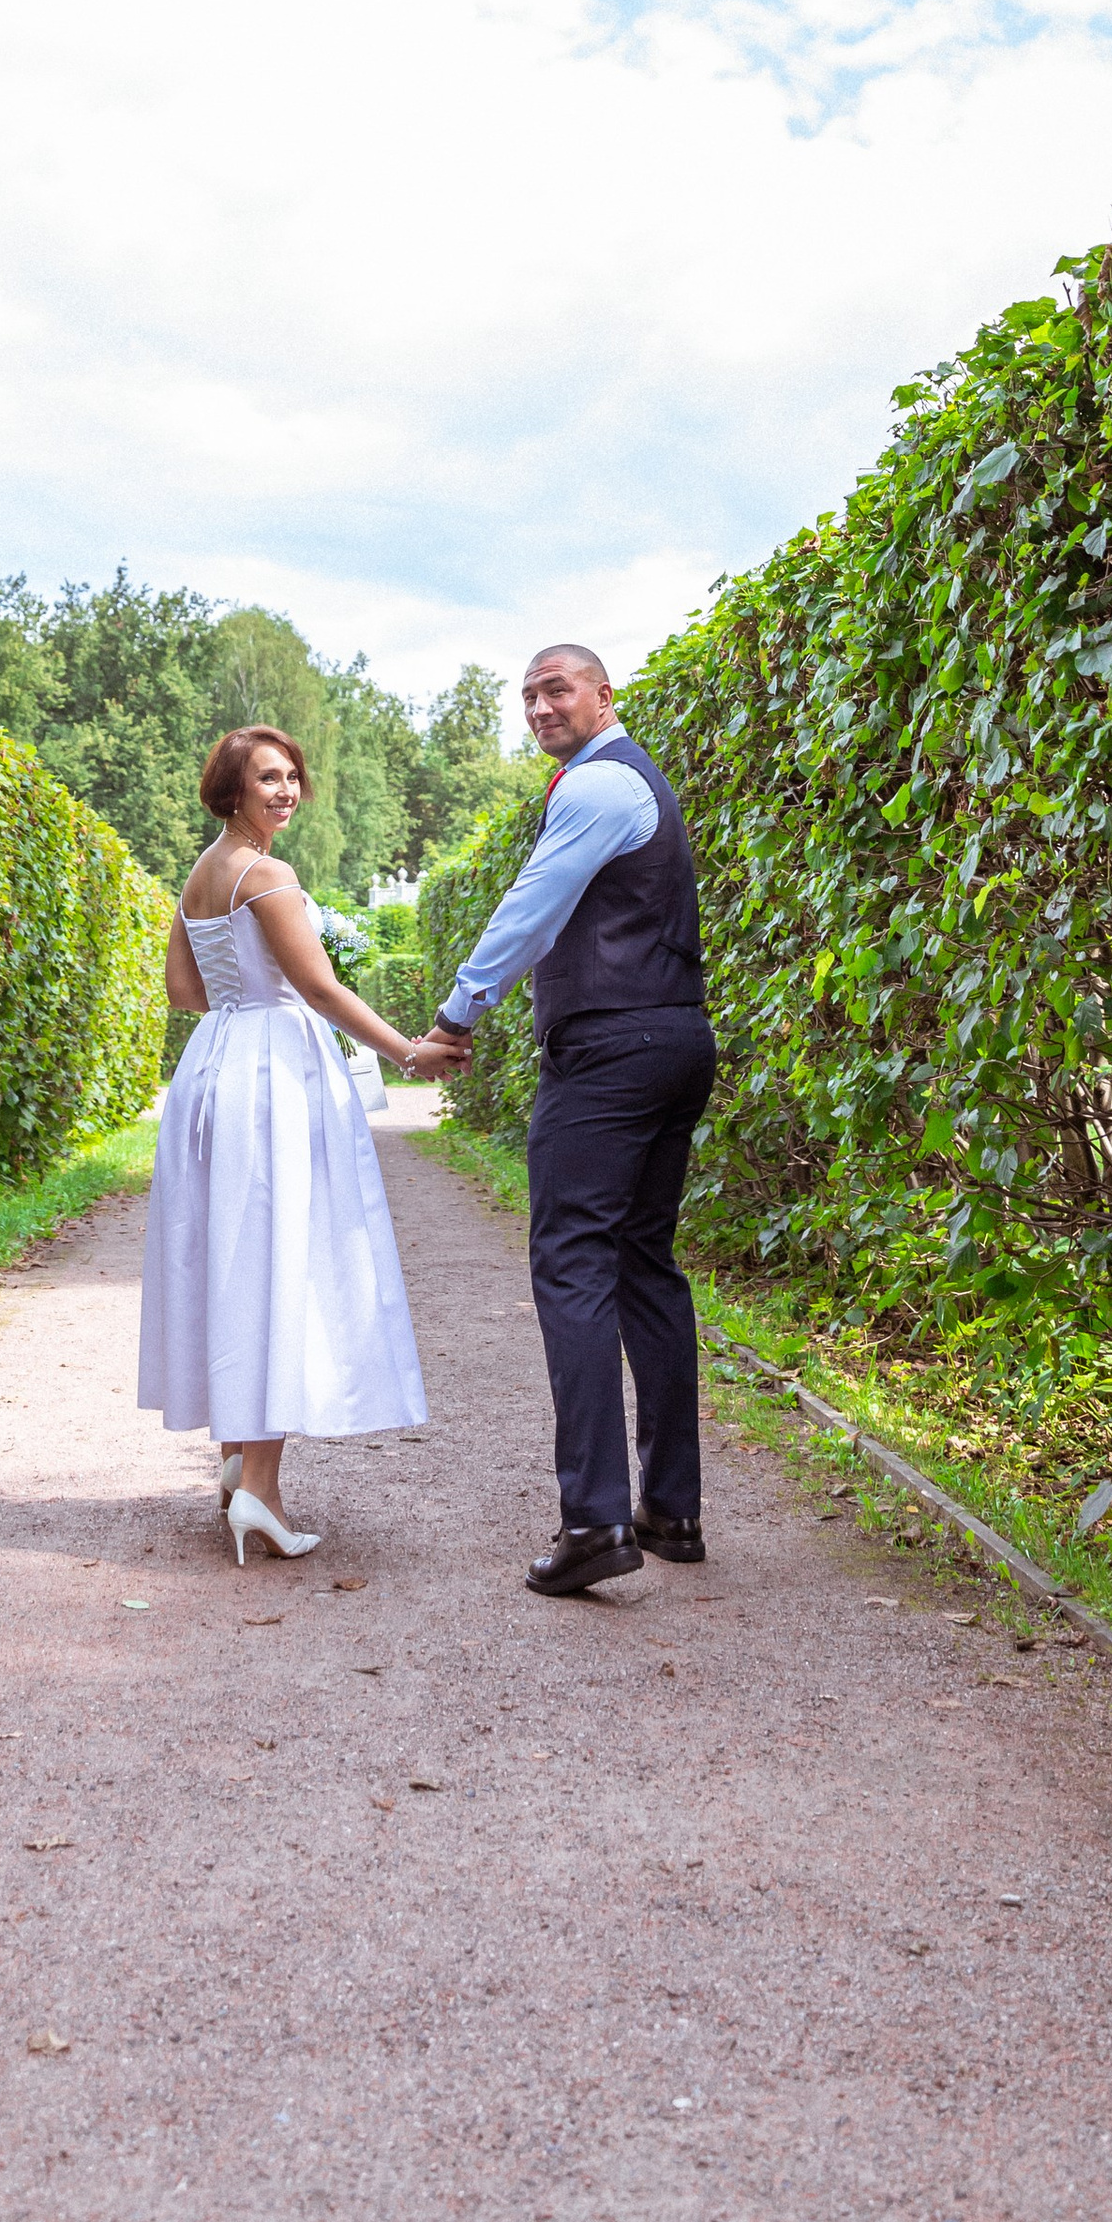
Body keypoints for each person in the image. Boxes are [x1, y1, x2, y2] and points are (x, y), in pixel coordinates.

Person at [422, 644, 715, 1596]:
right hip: (675, 1038)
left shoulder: (598, 789)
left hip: (611, 1054)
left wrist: (459, 1011)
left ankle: (594, 1519)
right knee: (643, 1264)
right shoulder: (633, 785)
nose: (540, 705)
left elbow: (531, 910)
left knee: (573, 1263)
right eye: (528, 695)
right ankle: (669, 1510)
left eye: (557, 689)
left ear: (603, 695)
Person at [138, 723, 446, 1563]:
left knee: (231, 1252)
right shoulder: (266, 872)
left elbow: (183, 991)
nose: (284, 790)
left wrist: (244, 1005)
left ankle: (237, 1464)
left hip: (215, 1069)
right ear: (231, 791)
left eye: (291, 777)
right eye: (266, 778)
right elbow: (317, 986)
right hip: (274, 1071)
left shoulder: (201, 875)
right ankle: (261, 1491)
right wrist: (409, 1052)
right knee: (281, 1255)